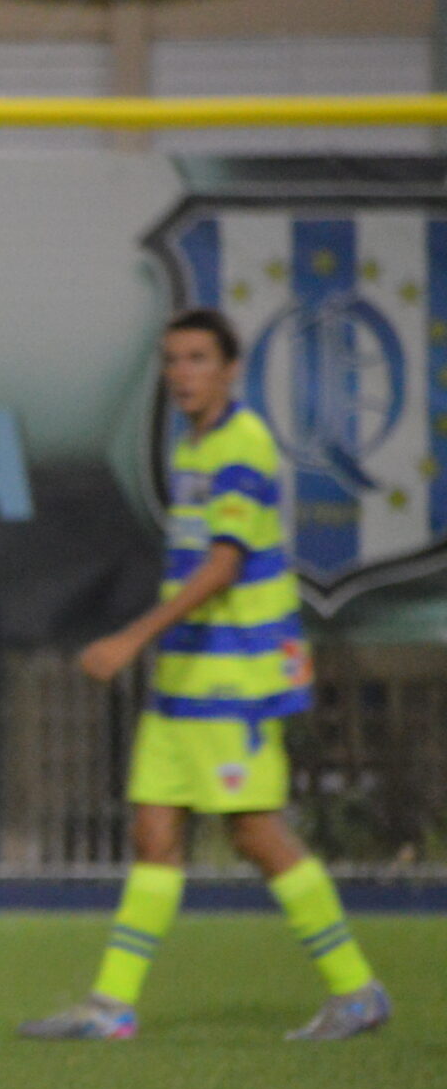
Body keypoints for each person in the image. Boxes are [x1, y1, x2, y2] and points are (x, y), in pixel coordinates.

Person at [21, 309, 389, 1042]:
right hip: (187, 673)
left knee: (254, 831)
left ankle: (357, 991)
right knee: (153, 830)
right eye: (172, 360)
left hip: (235, 674)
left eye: (197, 358)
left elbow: (224, 566)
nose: (181, 373)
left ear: (230, 369)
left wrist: (131, 638)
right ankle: (112, 1006)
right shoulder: (193, 446)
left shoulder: (242, 445)